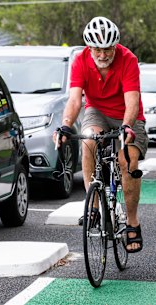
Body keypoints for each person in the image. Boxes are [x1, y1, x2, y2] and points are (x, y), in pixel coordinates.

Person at [54, 16, 148, 253]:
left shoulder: (128, 59)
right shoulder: (80, 60)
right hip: (97, 112)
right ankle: (93, 206)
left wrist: (127, 126)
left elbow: (132, 102)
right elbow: (75, 99)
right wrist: (66, 125)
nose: (103, 55)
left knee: (127, 160)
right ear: (90, 47)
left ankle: (133, 222)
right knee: (88, 140)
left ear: (115, 46)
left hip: (127, 115)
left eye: (107, 49)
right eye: (97, 49)